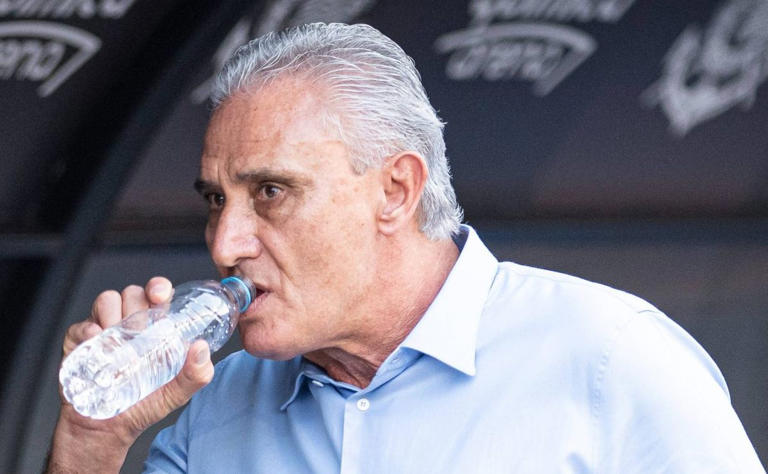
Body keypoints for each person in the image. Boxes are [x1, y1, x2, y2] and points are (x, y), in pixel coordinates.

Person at [47, 23, 764, 473]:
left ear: (395, 191)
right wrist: (89, 444)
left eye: (270, 191)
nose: (226, 243)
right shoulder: (217, 406)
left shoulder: (609, 359)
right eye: (215, 200)